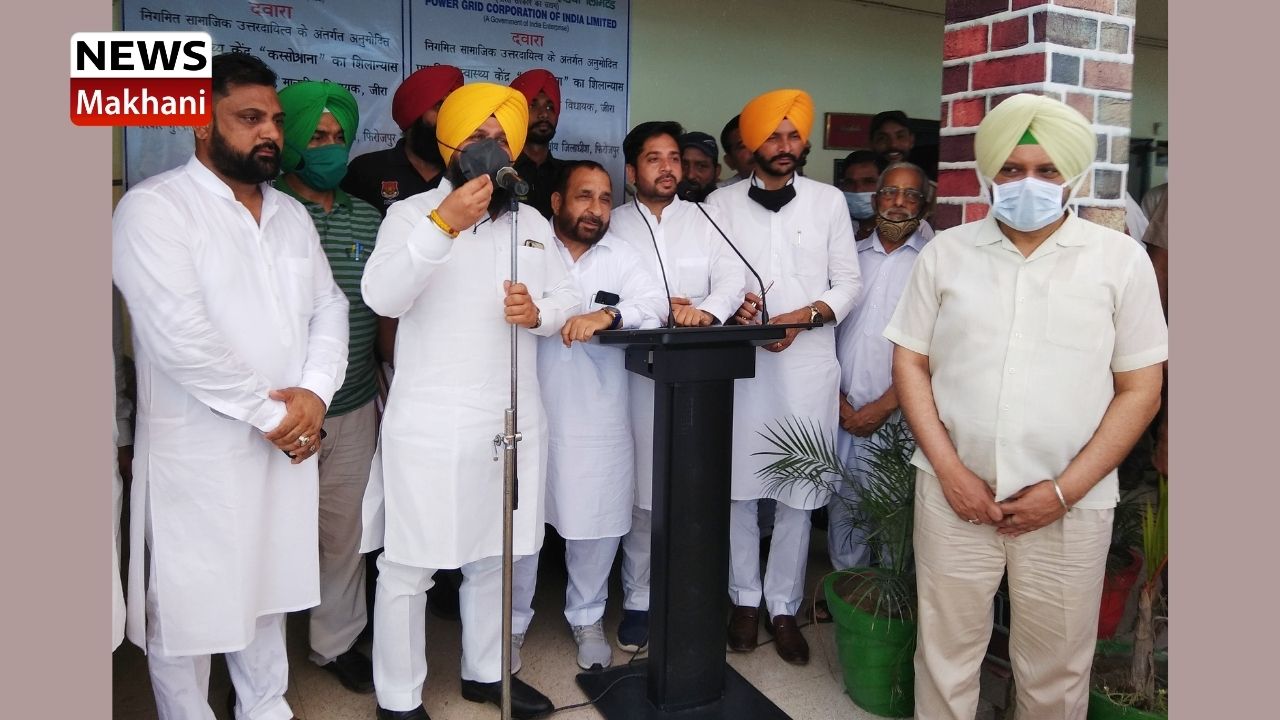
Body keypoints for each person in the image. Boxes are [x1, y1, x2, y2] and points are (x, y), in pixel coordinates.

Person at [884, 93, 1167, 719]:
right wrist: (952, 473)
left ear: (1074, 176)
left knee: (1056, 674)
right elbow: (910, 363)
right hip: (953, 495)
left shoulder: (1120, 262)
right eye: (1011, 169)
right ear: (989, 172)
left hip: (1071, 506)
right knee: (944, 657)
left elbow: (1141, 388)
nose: (1027, 183)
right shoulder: (946, 253)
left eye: (1045, 170)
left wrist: (1064, 491)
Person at [112, 52, 350, 720]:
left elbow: (329, 307)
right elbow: (179, 337)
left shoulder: (291, 215)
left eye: (273, 119)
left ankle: (265, 708)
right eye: (250, 118)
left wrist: (315, 395)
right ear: (199, 122)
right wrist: (279, 417)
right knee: (186, 610)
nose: (270, 132)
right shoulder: (154, 209)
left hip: (285, 447)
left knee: (267, 593)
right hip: (201, 456)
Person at [359, 82, 579, 720]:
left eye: (503, 140)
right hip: (432, 422)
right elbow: (382, 296)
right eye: (479, 138)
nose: (492, 150)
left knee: (496, 554)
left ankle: (486, 673)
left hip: (512, 416)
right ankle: (398, 698)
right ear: (450, 145)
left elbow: (570, 296)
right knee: (409, 564)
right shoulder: (412, 214)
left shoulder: (530, 223)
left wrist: (540, 314)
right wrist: (443, 226)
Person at [708, 89, 862, 666]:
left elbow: (849, 284)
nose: (784, 145)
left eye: (793, 135)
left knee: (799, 491)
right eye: (773, 136)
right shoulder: (719, 205)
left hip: (807, 366)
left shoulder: (829, 202)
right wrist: (735, 311)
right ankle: (744, 600)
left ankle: (783, 605)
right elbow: (712, 283)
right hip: (742, 367)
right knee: (738, 489)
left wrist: (801, 317)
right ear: (751, 143)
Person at [510, 161, 668, 672]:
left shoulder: (621, 256)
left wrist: (610, 314)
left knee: (595, 523)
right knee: (520, 527)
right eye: (584, 196)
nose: (596, 209)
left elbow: (655, 304)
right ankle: (511, 625)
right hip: (527, 411)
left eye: (604, 198)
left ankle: (587, 616)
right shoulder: (527, 247)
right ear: (556, 202)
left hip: (598, 416)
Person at [610, 121, 747, 654]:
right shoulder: (614, 223)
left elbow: (733, 279)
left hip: (697, 377)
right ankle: (640, 598)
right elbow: (599, 290)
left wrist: (707, 311)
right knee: (644, 495)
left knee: (692, 490)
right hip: (632, 377)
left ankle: (691, 595)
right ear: (632, 171)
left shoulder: (705, 218)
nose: (668, 168)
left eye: (674, 158)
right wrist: (657, 308)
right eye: (654, 159)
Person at [275, 80, 383, 694]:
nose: (330, 148)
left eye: (339, 136)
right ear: (290, 141)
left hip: (354, 402)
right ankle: (257, 664)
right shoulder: (267, 211)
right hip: (281, 412)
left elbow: (383, 309)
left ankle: (335, 641)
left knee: (344, 533)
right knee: (271, 536)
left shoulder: (367, 216)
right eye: (316, 137)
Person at [827, 162, 932, 575]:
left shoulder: (934, 261)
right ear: (875, 200)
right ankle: (846, 589)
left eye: (911, 195)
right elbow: (826, 336)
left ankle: (889, 597)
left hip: (901, 415)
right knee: (844, 507)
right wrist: (839, 402)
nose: (898, 203)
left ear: (925, 204)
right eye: (890, 192)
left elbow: (938, 346)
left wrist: (885, 406)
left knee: (894, 514)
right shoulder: (848, 260)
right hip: (842, 410)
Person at [342, 65, 464, 217]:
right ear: (414, 113)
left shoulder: (464, 174)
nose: (447, 117)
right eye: (439, 106)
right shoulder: (366, 170)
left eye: (452, 108)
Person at [510, 68, 567, 218]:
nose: (544, 114)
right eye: (532, 105)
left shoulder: (568, 175)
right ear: (515, 113)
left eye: (550, 107)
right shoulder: (502, 173)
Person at [836, 150, 887, 241]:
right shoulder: (831, 227)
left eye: (869, 182)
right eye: (850, 183)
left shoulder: (908, 229)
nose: (858, 190)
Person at [677, 131, 721, 202]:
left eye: (702, 166)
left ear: (717, 171)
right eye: (684, 165)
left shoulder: (727, 205)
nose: (690, 175)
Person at [717, 114, 755, 188]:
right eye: (743, 146)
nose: (756, 150)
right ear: (730, 162)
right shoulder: (720, 193)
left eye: (763, 141)